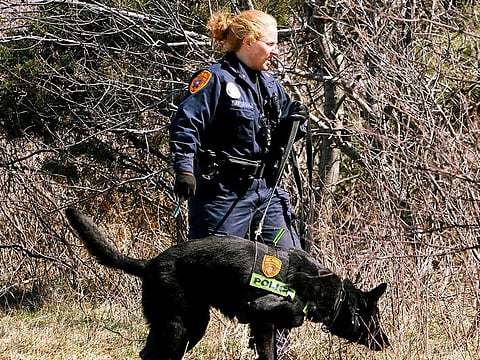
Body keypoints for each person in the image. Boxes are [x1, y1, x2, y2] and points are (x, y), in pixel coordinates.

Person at [169, 9, 309, 251]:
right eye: (270, 44)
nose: (276, 51)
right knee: (214, 269)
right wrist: (184, 169)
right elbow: (185, 125)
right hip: (221, 194)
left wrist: (296, 123)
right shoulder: (215, 79)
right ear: (248, 42)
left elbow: (291, 127)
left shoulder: (271, 85)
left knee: (291, 266)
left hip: (265, 191)